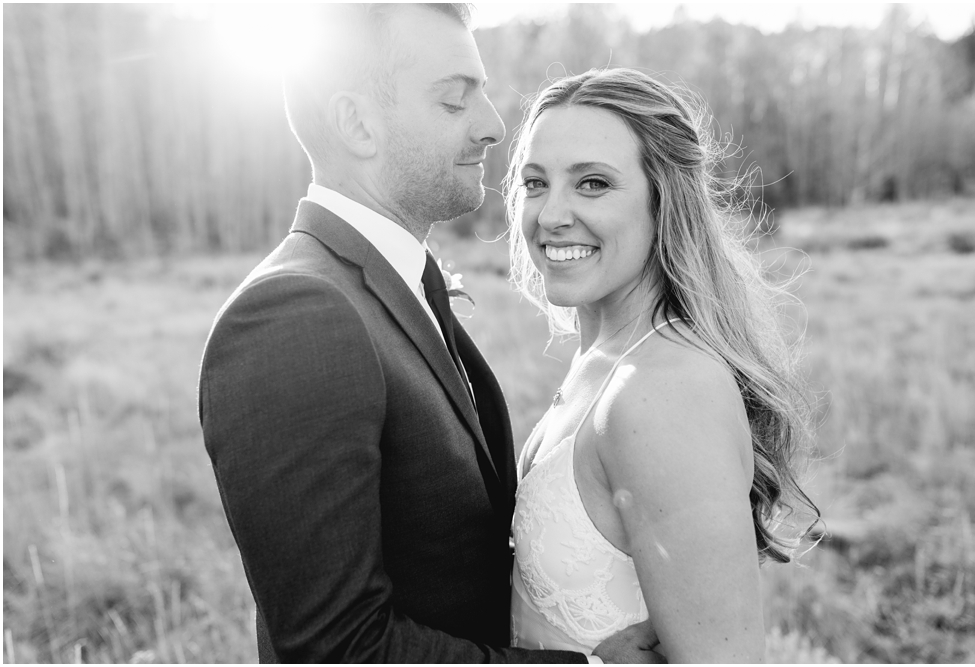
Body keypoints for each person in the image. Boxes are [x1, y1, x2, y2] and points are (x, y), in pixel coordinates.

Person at [199, 6, 660, 663]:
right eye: (455, 100)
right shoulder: (296, 316)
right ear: (357, 123)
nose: (493, 126)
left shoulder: (387, 285)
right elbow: (335, 649)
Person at [503, 68, 819, 662]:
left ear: (664, 199)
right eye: (535, 183)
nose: (550, 215)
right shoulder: (602, 359)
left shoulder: (666, 389)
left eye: (592, 184)